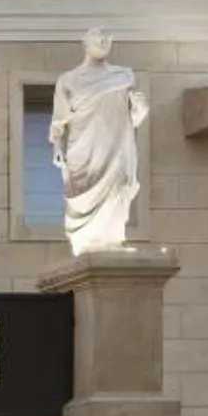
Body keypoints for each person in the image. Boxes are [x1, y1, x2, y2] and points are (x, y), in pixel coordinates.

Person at [51, 29, 150, 254]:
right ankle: (88, 240)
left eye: (109, 39)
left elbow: (131, 119)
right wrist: (56, 144)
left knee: (118, 186)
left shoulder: (123, 76)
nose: (105, 42)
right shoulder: (70, 80)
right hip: (85, 149)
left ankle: (112, 239)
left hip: (116, 146)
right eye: (99, 38)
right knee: (86, 191)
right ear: (85, 43)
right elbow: (59, 119)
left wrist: (140, 109)